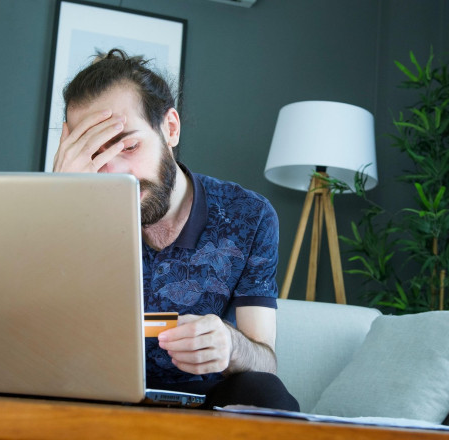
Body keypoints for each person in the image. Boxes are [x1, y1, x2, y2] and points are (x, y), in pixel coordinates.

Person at [53, 49, 299, 411]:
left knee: (264, 392)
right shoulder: (73, 209)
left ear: (170, 128)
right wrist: (63, 203)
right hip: (93, 397)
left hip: (205, 404)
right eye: (94, 154)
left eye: (130, 145)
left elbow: (265, 361)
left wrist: (230, 345)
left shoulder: (249, 215)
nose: (116, 172)